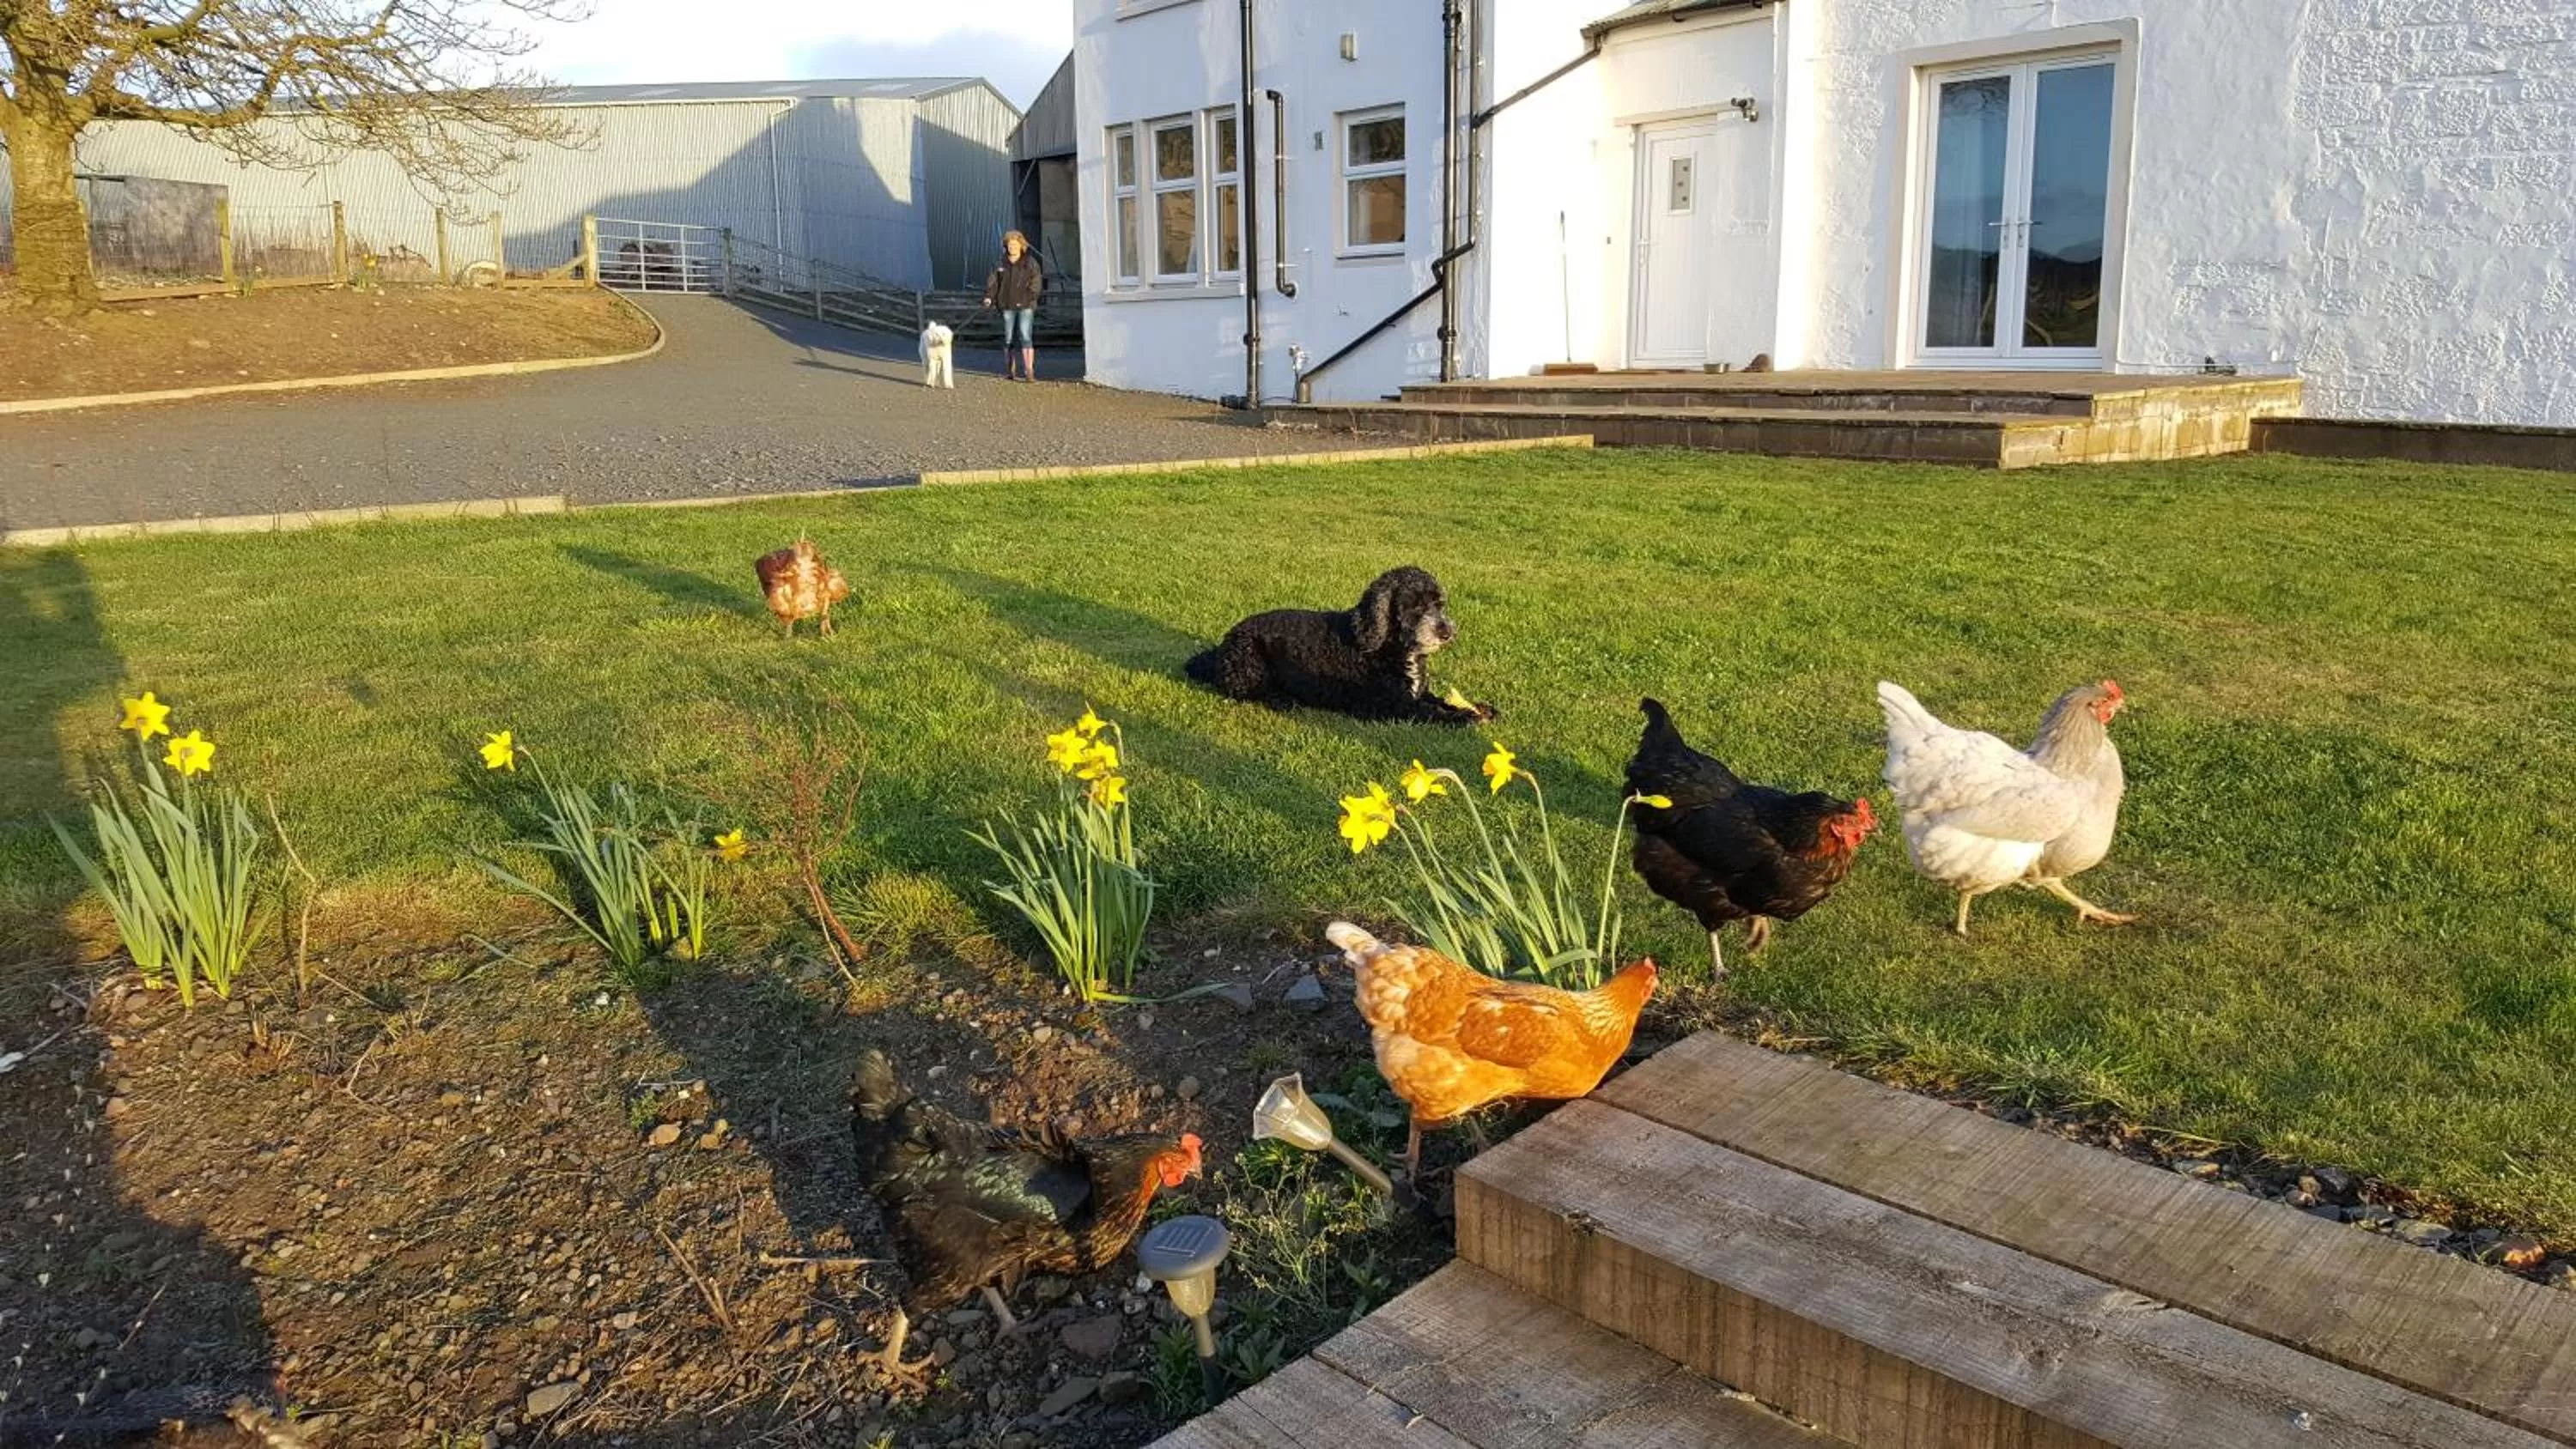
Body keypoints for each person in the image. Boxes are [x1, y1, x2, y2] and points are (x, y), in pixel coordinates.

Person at [982, 231, 1044, 382]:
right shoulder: (999, 263)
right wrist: (989, 298)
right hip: (1006, 305)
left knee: (1025, 336)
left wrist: (1029, 297)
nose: (1012, 247)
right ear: (1006, 246)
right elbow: (993, 283)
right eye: (1010, 245)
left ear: (1021, 246)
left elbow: (1036, 283)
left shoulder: (1030, 263)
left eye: (1015, 245)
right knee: (1008, 338)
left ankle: (1029, 370)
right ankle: (1010, 371)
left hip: (1026, 305)